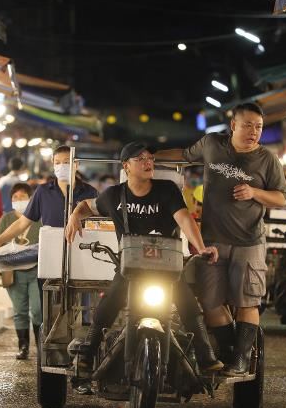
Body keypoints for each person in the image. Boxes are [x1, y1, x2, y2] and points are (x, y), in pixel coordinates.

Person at [65, 141, 223, 373]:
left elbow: (184, 219)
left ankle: (206, 357)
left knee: (189, 305)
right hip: (129, 269)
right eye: (140, 159)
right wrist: (74, 216)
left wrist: (201, 247)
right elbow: (87, 205)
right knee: (108, 303)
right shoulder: (114, 195)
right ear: (126, 166)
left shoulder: (167, 190)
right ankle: (89, 351)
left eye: (150, 158)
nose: (148, 162)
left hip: (167, 269)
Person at [154, 102, 286, 375]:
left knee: (247, 301)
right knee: (211, 302)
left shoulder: (268, 159)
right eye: (248, 125)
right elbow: (184, 154)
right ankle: (229, 352)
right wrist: (151, 157)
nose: (254, 132)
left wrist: (255, 193)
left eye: (259, 127)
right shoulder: (212, 144)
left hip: (249, 241)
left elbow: (281, 198)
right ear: (234, 126)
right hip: (212, 241)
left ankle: (240, 360)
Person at [0, 145, 98, 308]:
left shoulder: (90, 192)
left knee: (82, 306)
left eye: (66, 162)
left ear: (76, 164)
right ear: (52, 163)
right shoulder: (43, 192)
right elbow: (23, 222)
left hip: (82, 255)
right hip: (50, 257)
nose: (62, 166)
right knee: (49, 308)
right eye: (57, 162)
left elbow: (101, 225)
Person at [0, 183, 42, 360]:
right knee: (19, 311)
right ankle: (23, 347)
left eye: (22, 197)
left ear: (30, 199)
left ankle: (41, 347)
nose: (18, 200)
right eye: (15, 198)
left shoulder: (40, 218)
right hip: (13, 272)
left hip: (37, 271)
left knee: (37, 310)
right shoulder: (6, 219)